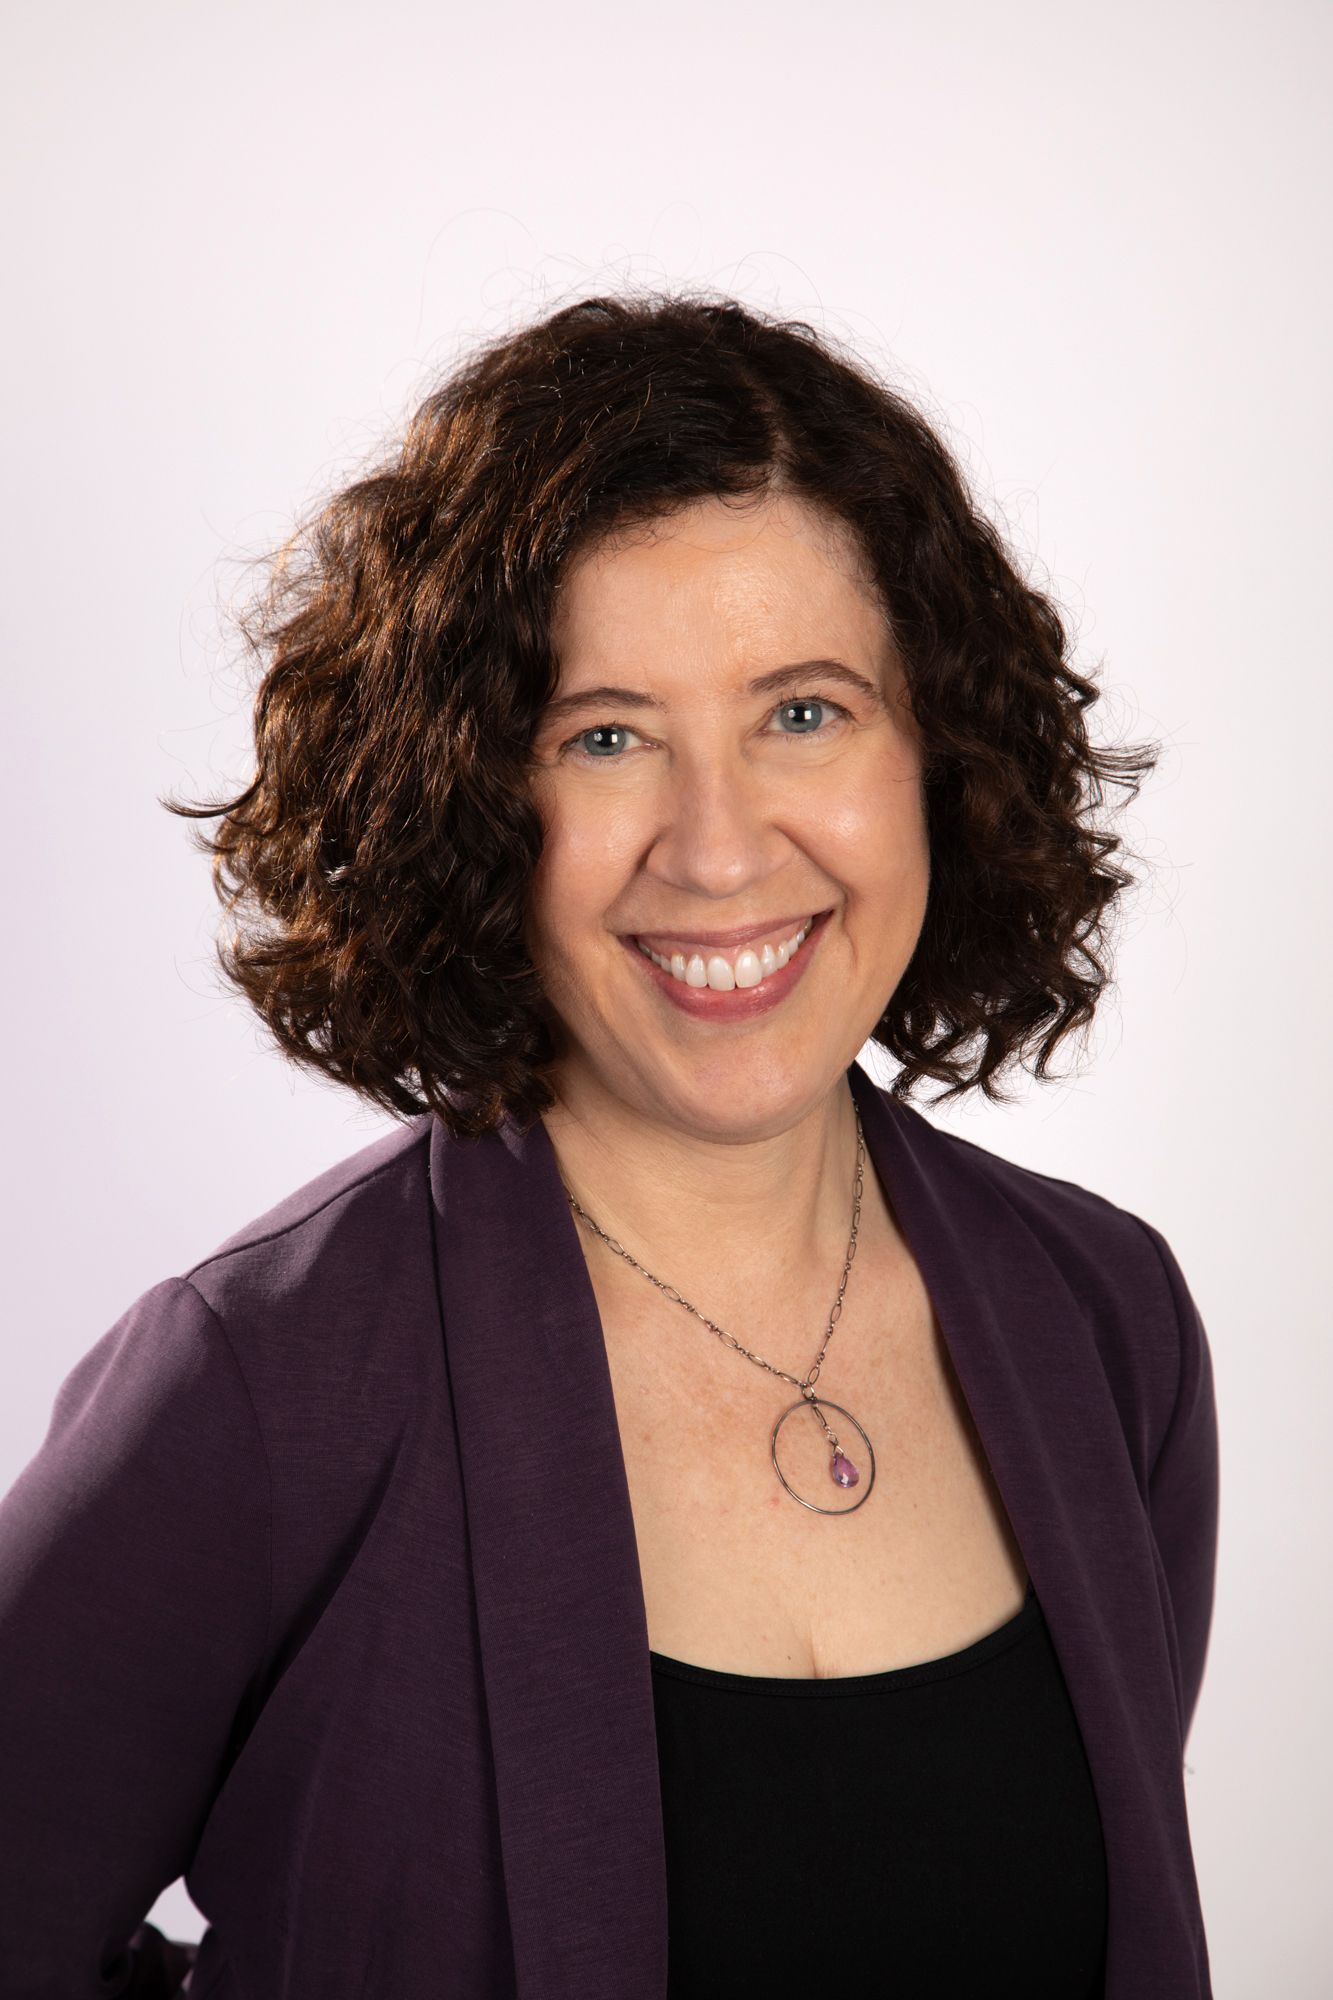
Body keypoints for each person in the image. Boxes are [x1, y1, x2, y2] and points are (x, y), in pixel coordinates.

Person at [0, 291, 1219, 1999]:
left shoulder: (1105, 1322)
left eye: (804, 711)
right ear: (463, 799)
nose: (718, 852)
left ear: (936, 749)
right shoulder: (260, 1385)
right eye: (604, 736)